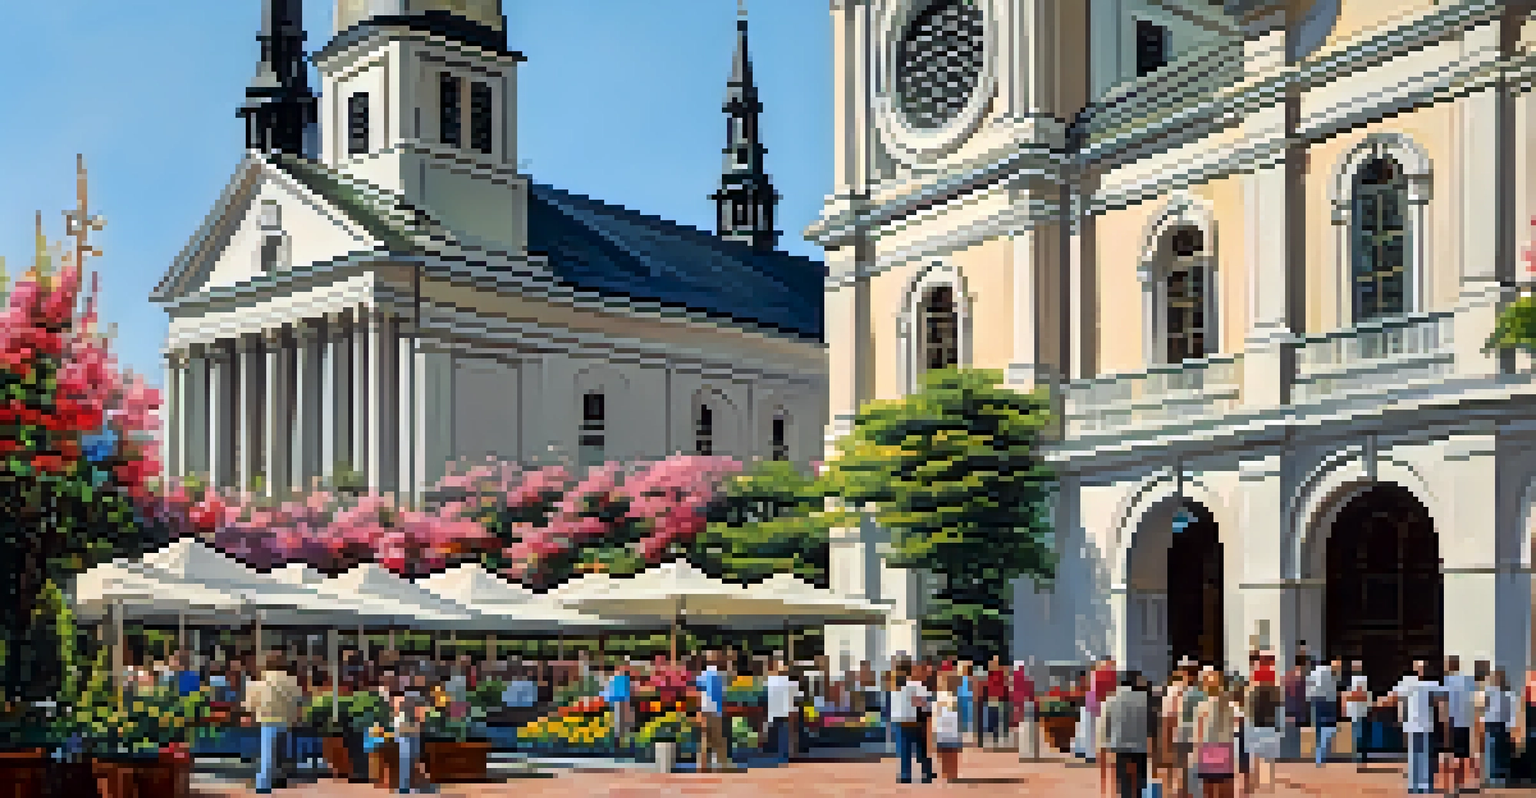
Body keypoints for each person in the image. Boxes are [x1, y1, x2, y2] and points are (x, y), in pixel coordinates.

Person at [244, 652, 301, 795]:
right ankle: (279, 779)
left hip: (268, 719)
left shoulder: (260, 681)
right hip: (286, 720)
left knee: (267, 754)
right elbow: (298, 701)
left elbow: (250, 704)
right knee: (282, 752)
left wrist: (250, 714)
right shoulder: (292, 681)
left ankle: (263, 784)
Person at [1392, 659, 1440, 794]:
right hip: (1412, 723)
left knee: (1425, 754)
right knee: (1413, 755)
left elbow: (1439, 701)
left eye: (1424, 667)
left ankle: (1425, 785)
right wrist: (1401, 717)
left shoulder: (1432, 684)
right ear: (1414, 668)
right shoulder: (1407, 682)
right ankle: (1413, 784)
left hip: (1426, 725)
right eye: (1419, 667)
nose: (1422, 670)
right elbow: (1400, 699)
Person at [1103, 670, 1153, 798]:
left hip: (1119, 744)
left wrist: (1107, 740)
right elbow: (1150, 721)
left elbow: (1106, 723)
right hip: (1140, 745)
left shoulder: (1111, 699)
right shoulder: (1144, 698)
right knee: (1139, 781)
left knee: (1123, 779)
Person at [891, 657, 936, 784]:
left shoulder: (906, 685)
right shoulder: (911, 685)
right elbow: (923, 703)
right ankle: (925, 772)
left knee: (910, 749)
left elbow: (922, 703)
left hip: (908, 720)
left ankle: (910, 774)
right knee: (919, 748)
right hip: (911, 720)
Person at [1193, 669, 1238, 798]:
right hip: (1223, 747)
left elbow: (1198, 734)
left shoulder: (1202, 707)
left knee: (1210, 787)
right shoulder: (1230, 706)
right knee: (1224, 785)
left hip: (1209, 748)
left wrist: (1196, 753)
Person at [1243, 659, 1283, 794]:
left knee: (1255, 755)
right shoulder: (1275, 690)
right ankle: (1269, 781)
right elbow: (1279, 706)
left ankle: (1256, 780)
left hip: (1256, 723)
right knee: (1269, 755)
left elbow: (1248, 707)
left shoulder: (1253, 690)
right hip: (1270, 723)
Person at [1440, 655, 1475, 795]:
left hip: (1452, 721)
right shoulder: (1468, 680)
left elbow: (1444, 702)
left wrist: (1443, 720)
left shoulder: (1446, 681)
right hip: (1466, 721)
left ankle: (1452, 785)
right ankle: (1459, 783)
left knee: (1451, 755)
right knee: (1462, 756)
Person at [1476, 667, 1512, 788]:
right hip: (1502, 724)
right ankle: (1500, 778)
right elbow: (1510, 712)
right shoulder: (1507, 693)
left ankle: (1492, 778)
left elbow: (1480, 705)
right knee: (1500, 751)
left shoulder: (1489, 691)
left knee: (1491, 751)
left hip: (1491, 723)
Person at [695, 650, 730, 773]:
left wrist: (698, 711)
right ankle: (721, 765)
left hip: (705, 710)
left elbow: (698, 693)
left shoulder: (702, 675)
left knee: (705, 739)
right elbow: (723, 694)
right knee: (718, 740)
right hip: (715, 711)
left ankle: (702, 766)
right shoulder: (721, 676)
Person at [1306, 657, 1340, 766]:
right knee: (1326, 729)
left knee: (1321, 730)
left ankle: (1321, 757)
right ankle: (1321, 756)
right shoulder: (1323, 672)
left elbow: (1310, 686)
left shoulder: (1321, 672)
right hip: (1324, 702)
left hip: (1319, 702)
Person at [765, 659, 799, 765]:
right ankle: (786, 755)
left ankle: (780, 755)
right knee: (786, 733)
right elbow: (795, 697)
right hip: (786, 710)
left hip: (774, 710)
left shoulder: (769, 681)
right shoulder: (790, 683)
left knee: (777, 733)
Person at [933, 670, 964, 782]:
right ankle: (951, 773)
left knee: (946, 752)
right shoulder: (952, 697)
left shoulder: (941, 696)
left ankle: (947, 773)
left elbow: (936, 712)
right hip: (949, 728)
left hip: (944, 728)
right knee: (950, 752)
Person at [1342, 662, 1371, 771]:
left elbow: (1360, 695)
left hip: (1360, 712)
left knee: (1360, 737)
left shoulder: (1361, 680)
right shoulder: (1351, 680)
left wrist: (1349, 696)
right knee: (1357, 737)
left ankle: (1360, 761)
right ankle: (1359, 761)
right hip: (1355, 713)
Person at [1013, 658, 1039, 761]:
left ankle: (1025, 752)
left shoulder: (1015, 677)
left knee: (1023, 728)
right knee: (1031, 729)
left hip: (1021, 704)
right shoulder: (1028, 677)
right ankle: (1031, 753)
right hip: (1029, 703)